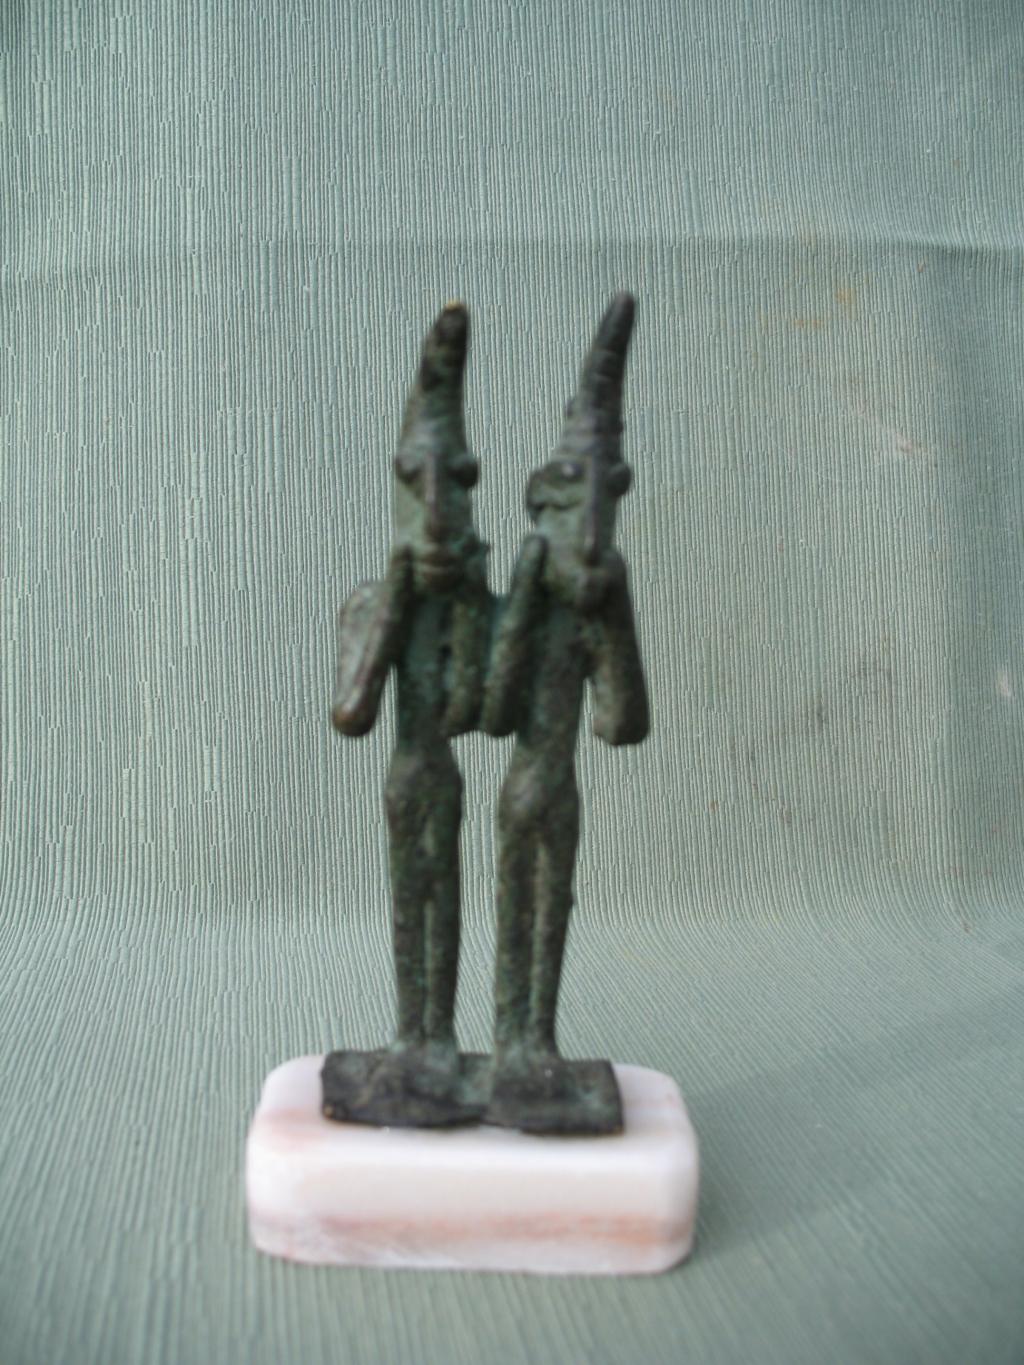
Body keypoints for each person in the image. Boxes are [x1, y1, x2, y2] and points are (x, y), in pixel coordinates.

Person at [481, 293, 649, 1134]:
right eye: (574, 507)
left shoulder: (592, 608)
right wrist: (521, 602)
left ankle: (534, 1045)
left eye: (603, 514)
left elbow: (621, 724)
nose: (590, 536)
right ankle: (512, 1047)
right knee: (520, 910)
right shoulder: (539, 593)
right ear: (543, 501)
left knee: (548, 917)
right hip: (528, 788)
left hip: (554, 792)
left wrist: (615, 616)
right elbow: (492, 713)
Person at [327, 302, 490, 1126]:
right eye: (416, 484)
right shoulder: (373, 602)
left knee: (446, 904)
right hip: (405, 778)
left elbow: (477, 712)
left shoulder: (467, 605)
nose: (433, 507)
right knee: (408, 903)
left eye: (452, 485)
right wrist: (395, 596)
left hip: (442, 777)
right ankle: (409, 1034)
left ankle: (439, 1039)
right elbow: (352, 712)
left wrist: (472, 599)